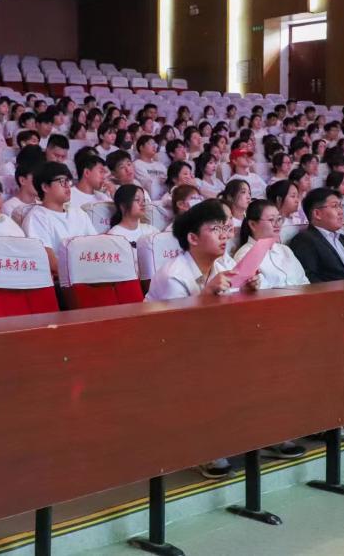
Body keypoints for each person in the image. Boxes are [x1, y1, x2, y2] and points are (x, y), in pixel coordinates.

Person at [145, 199, 259, 478]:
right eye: (214, 229)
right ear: (193, 239)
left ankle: (257, 434)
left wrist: (248, 289)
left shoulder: (222, 266)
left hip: (208, 343)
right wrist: (206, 295)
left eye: (225, 228)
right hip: (163, 350)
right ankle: (202, 448)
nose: (224, 235)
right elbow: (177, 331)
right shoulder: (173, 275)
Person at [22, 162, 96, 273]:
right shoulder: (36, 217)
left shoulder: (78, 213)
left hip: (88, 274)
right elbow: (52, 264)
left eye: (68, 181)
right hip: (63, 279)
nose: (68, 186)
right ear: (45, 187)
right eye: (62, 181)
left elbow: (96, 246)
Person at [287, 187, 344, 283]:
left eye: (341, 206)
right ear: (317, 214)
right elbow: (309, 277)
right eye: (335, 206)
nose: (341, 212)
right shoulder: (304, 240)